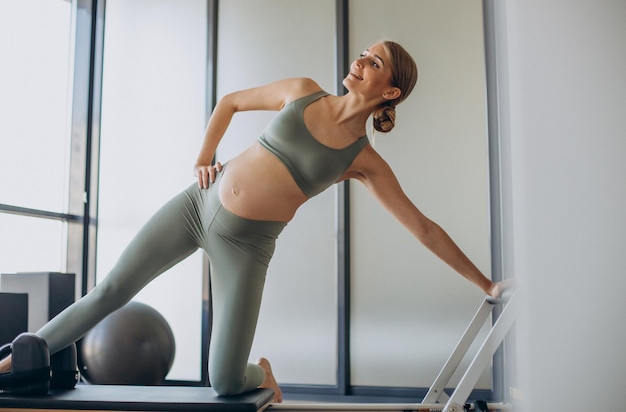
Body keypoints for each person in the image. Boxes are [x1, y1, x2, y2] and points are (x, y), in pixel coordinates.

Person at [0, 40, 510, 402]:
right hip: (196, 205)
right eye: (362, 52)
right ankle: (16, 361)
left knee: (224, 381)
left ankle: (261, 376)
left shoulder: (363, 160)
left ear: (391, 92)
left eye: (373, 61)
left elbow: (423, 227)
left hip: (245, 249)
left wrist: (485, 282)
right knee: (111, 287)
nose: (359, 60)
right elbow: (231, 102)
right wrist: (203, 155)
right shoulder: (303, 90)